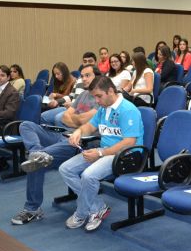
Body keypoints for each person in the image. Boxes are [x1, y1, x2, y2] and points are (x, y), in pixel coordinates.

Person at [10, 65, 101, 225]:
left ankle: (32, 209)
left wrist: (75, 119)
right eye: (82, 76)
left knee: (36, 163)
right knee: (26, 125)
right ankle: (37, 151)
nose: (84, 79)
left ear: (98, 77)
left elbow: (81, 120)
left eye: (88, 75)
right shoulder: (83, 94)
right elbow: (64, 117)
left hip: (79, 142)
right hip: (62, 135)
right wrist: (77, 119)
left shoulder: (101, 97)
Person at [59, 77, 144, 232]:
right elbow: (89, 126)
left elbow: (129, 142)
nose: (97, 101)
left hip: (126, 156)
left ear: (110, 91)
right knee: (66, 169)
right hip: (104, 152)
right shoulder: (104, 108)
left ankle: (81, 212)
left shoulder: (128, 110)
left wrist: (100, 153)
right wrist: (78, 132)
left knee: (88, 175)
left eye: (99, 96)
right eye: (95, 97)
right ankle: (97, 207)